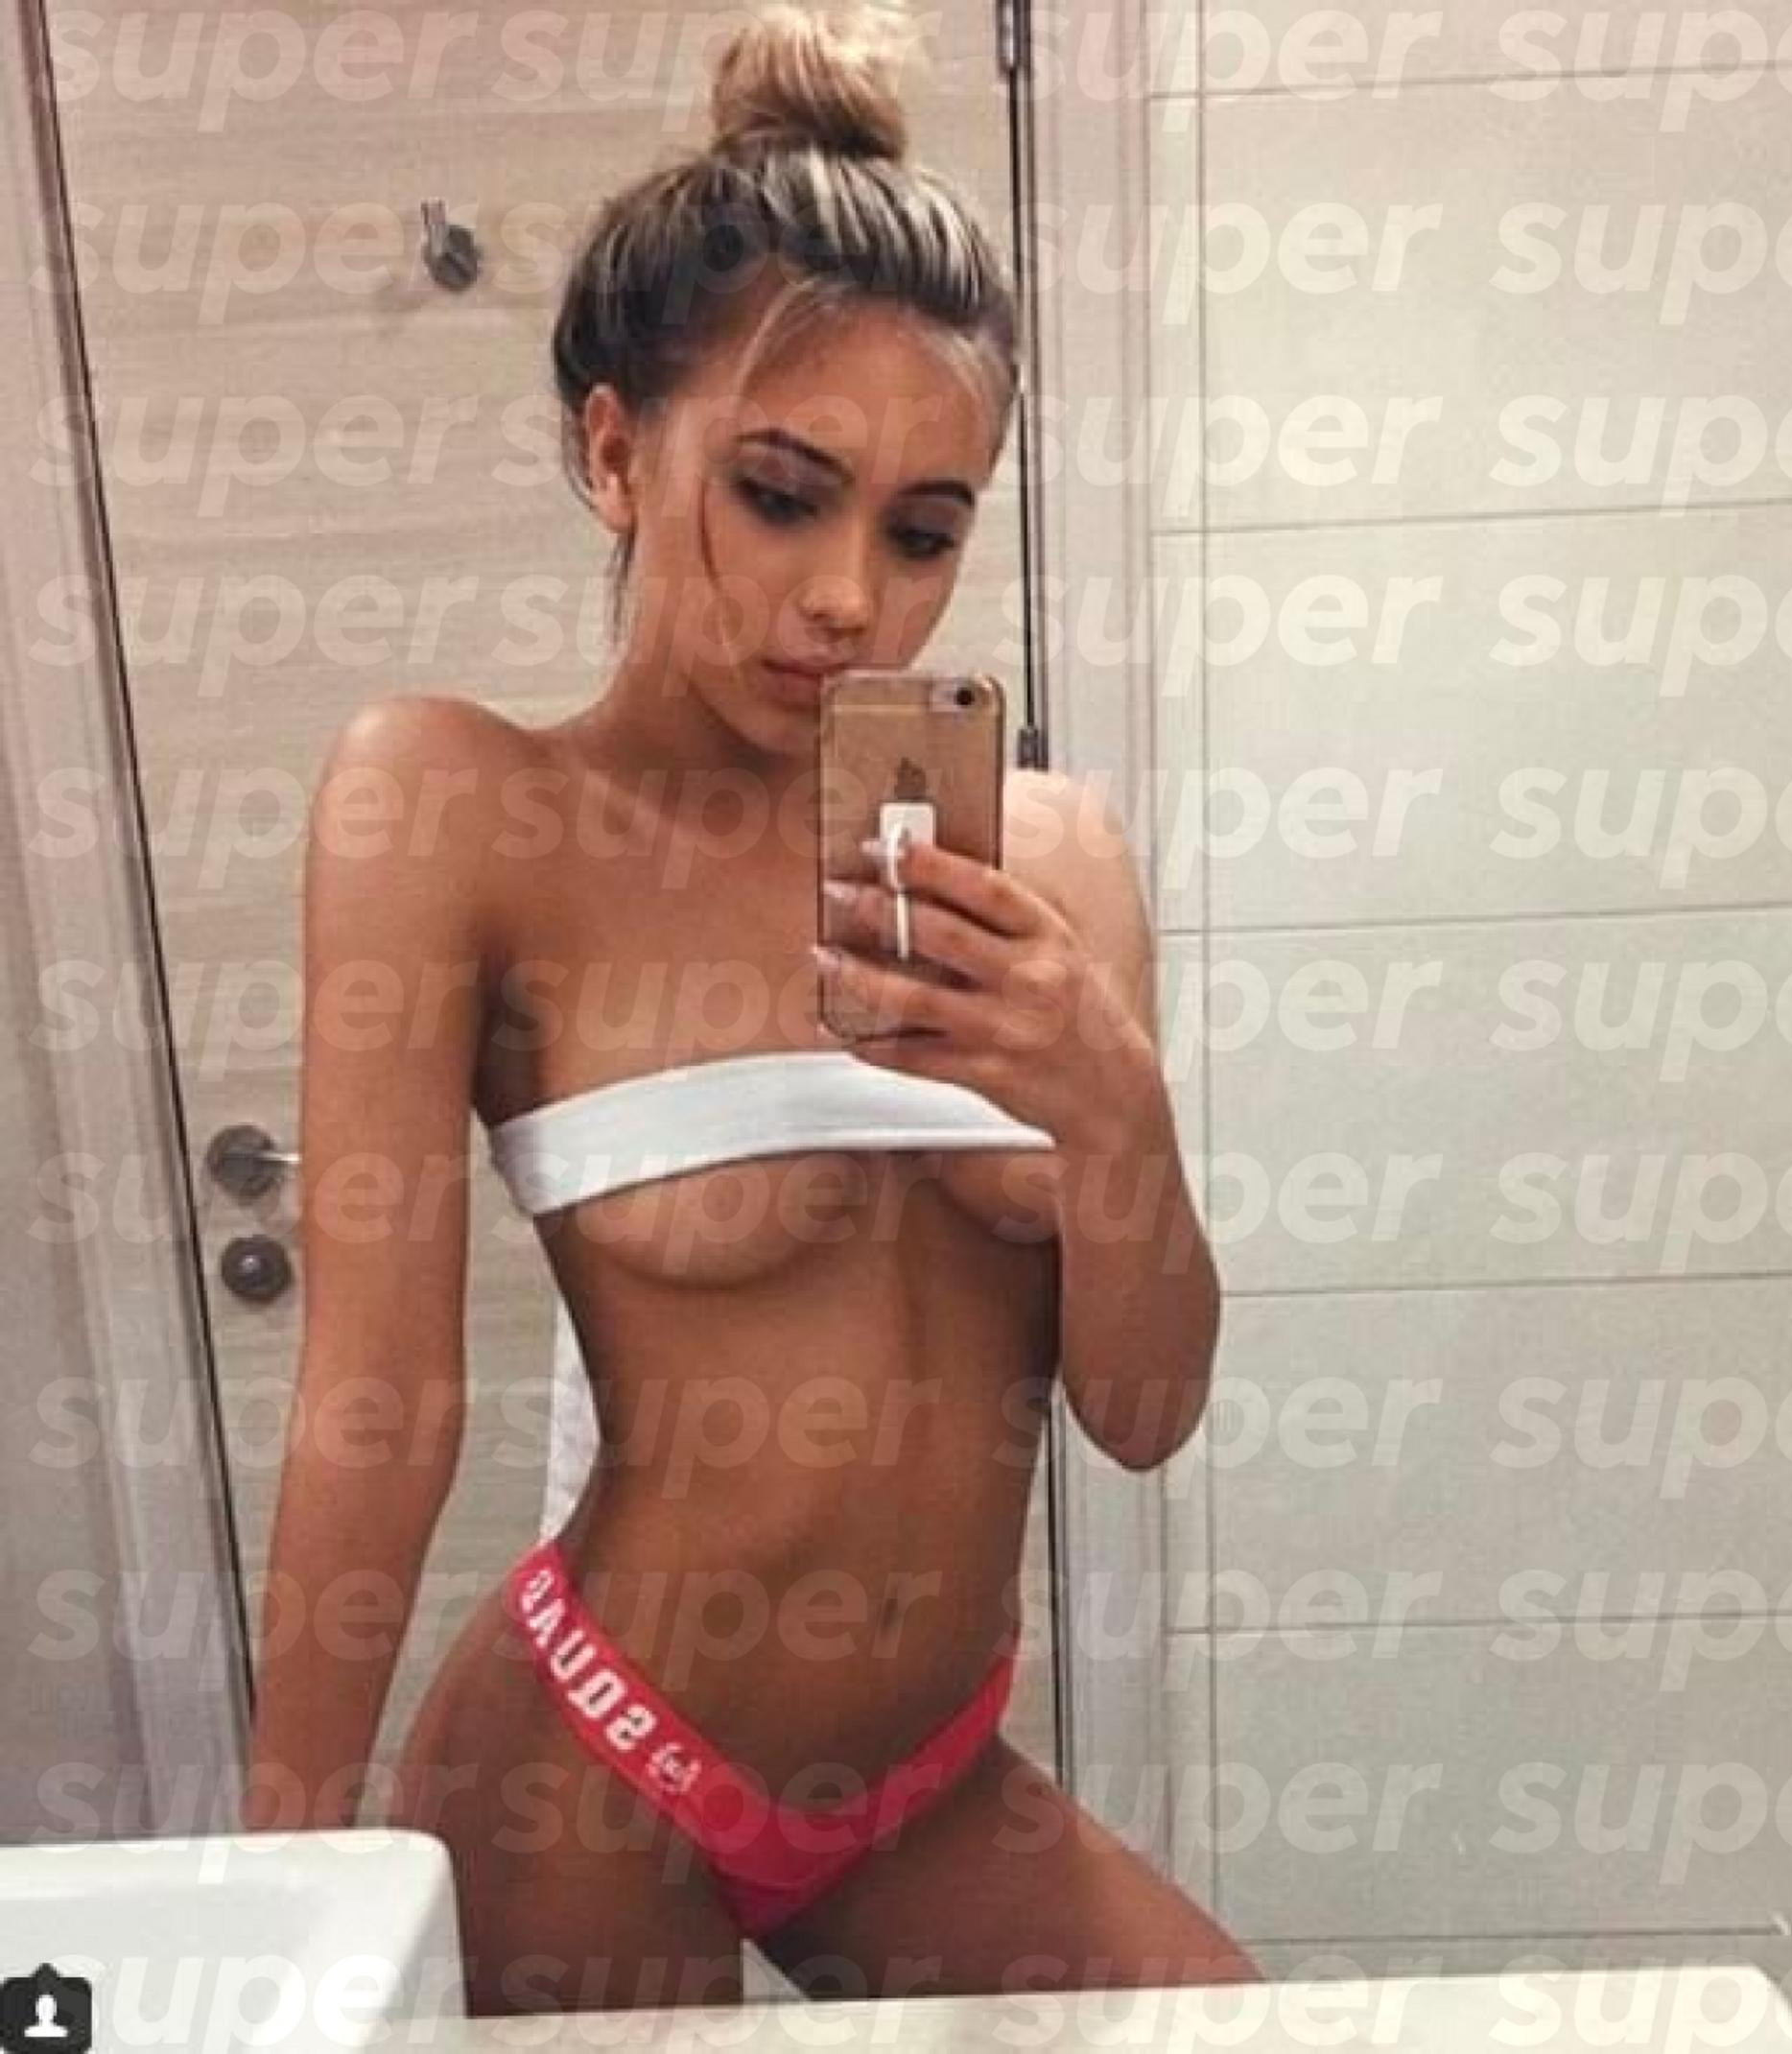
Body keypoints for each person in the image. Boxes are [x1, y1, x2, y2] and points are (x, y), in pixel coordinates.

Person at [245, 0, 1260, 2015]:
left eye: (922, 530)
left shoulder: (1051, 860)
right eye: (784, 493)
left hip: (931, 1783)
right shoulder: (457, 807)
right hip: (589, 1778)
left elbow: (1142, 1421)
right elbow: (379, 1399)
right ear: (616, 452)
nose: (850, 599)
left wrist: (1112, 1108)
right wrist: (273, 1888)